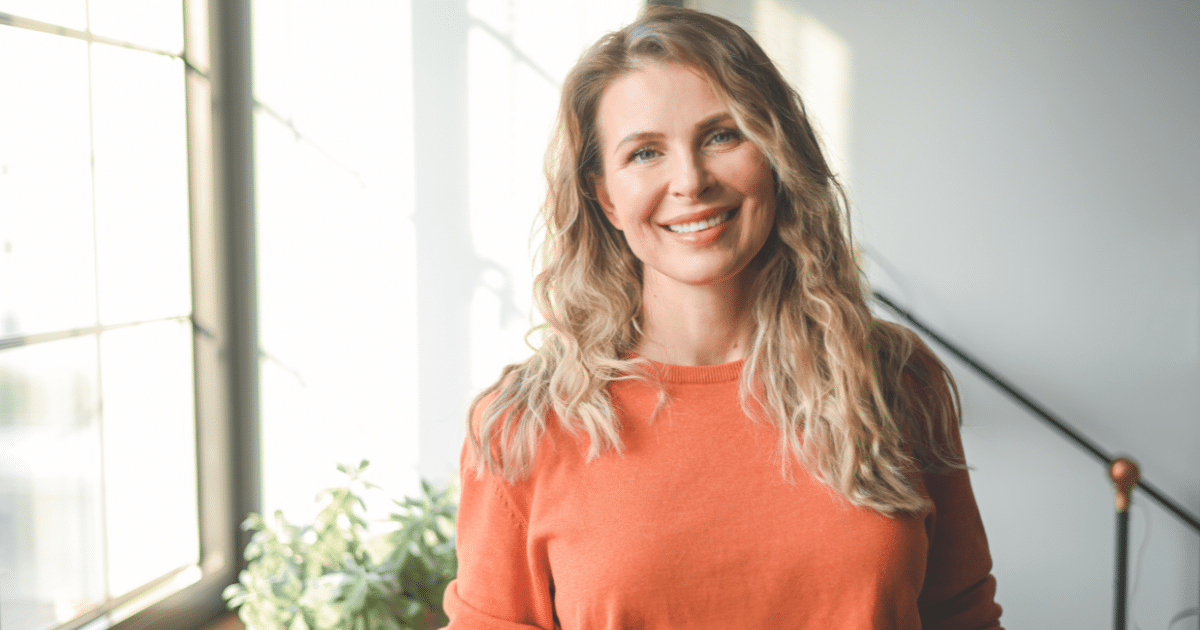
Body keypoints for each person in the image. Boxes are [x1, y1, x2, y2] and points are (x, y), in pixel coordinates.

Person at [442, 6, 1003, 629]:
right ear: (605, 196)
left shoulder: (895, 382)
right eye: (645, 153)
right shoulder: (523, 425)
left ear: (775, 154)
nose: (690, 180)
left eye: (722, 135)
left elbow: (964, 619)